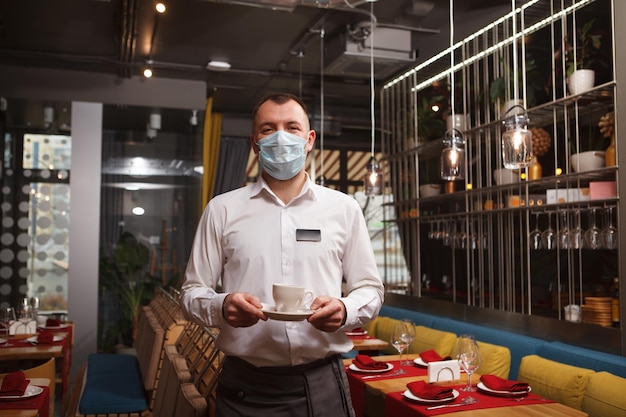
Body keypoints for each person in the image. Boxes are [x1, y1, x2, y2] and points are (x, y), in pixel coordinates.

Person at [179, 92, 384, 417]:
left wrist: (345, 309)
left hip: (323, 383)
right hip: (245, 387)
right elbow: (190, 294)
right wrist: (222, 306)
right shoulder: (222, 209)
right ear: (254, 142)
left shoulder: (344, 208)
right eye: (268, 128)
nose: (280, 137)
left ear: (309, 139)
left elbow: (370, 290)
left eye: (291, 127)